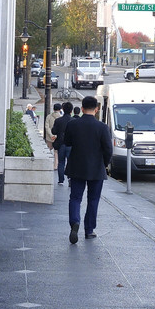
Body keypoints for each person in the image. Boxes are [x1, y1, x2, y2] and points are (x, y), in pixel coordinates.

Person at [62, 95, 113, 244]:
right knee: (93, 199)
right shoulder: (103, 128)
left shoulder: (73, 124)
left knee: (75, 197)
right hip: (96, 168)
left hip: (77, 167)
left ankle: (74, 222)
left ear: (82, 108)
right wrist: (104, 163)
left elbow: (67, 142)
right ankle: (89, 230)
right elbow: (108, 149)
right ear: (96, 109)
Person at [51, 103, 73, 185]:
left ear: (62, 109)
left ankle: (61, 179)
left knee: (61, 162)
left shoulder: (58, 121)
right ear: (71, 111)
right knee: (71, 162)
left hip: (61, 144)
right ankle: (70, 179)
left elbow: (54, 131)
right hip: (71, 145)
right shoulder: (73, 120)